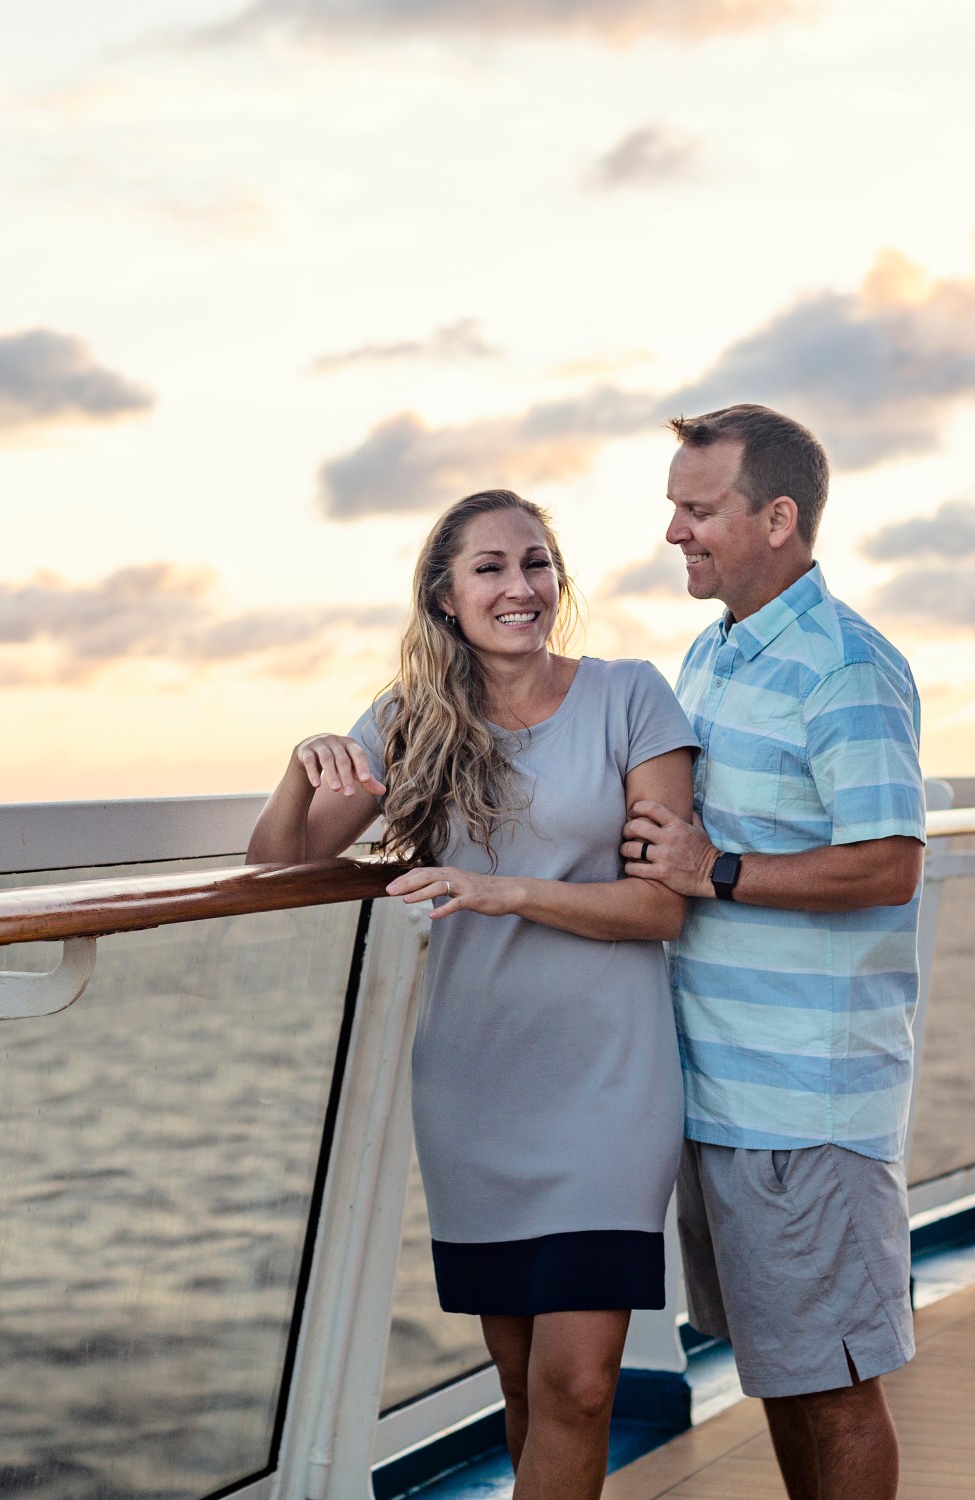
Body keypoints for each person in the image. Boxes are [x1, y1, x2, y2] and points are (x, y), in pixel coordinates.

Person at [247, 488, 700, 1500]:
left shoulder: (633, 697)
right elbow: (280, 874)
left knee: (581, 1386)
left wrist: (504, 891)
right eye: (490, 568)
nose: (520, 586)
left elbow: (661, 910)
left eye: (536, 563)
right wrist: (300, 768)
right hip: (476, 1085)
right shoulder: (411, 722)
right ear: (446, 597)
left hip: (609, 1088)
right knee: (524, 1388)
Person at [621, 406, 926, 1500]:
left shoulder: (843, 668)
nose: (675, 533)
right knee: (785, 1381)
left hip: (809, 1102)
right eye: (675, 508)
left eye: (699, 510)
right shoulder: (711, 657)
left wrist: (721, 871)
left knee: (837, 1389)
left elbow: (889, 863)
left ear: (779, 518)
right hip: (725, 1093)